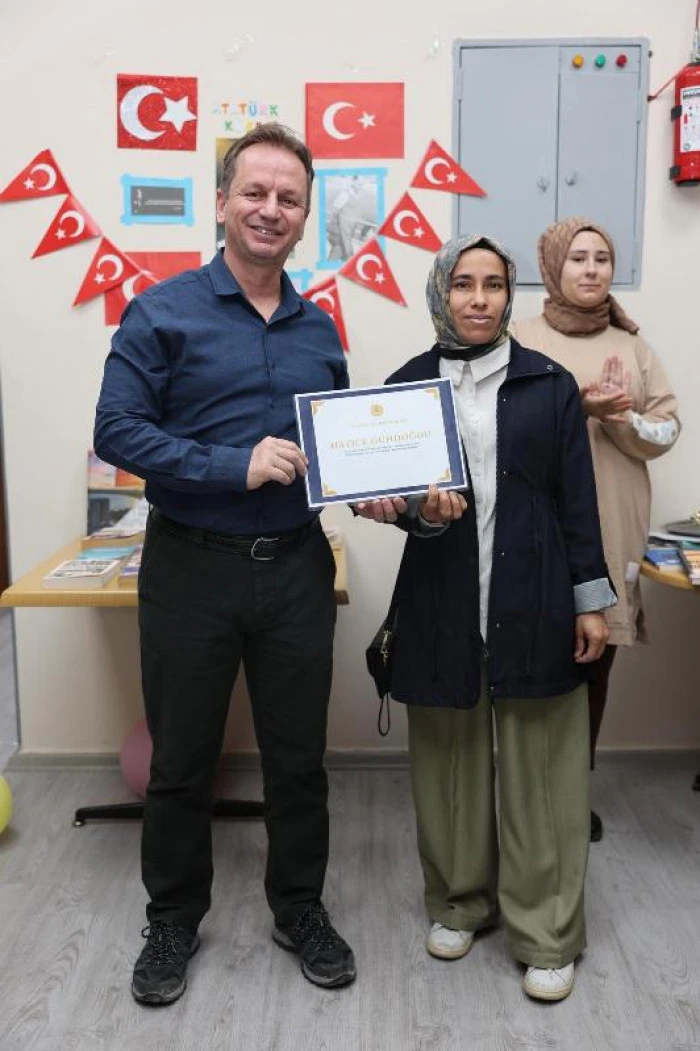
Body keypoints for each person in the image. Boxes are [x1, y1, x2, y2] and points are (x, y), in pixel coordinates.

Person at [94, 123, 356, 1005]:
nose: (270, 209)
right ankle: (172, 919)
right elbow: (116, 430)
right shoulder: (160, 310)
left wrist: (381, 489)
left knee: (299, 759)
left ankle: (299, 908)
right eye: (255, 192)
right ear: (220, 202)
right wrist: (230, 464)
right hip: (190, 568)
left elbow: (339, 447)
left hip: (296, 567)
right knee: (180, 760)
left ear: (304, 216)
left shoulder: (321, 328)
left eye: (289, 198)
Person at [355, 234, 616, 1002]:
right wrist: (409, 511)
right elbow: (394, 501)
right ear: (441, 292)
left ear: (509, 294)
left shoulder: (549, 384)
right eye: (463, 283)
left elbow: (576, 501)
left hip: (536, 599)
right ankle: (458, 901)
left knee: (544, 775)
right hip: (440, 601)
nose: (478, 298)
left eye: (493, 284)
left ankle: (547, 930)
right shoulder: (405, 386)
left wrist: (590, 602)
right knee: (448, 764)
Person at [511, 218, 680, 841]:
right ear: (553, 266)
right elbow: (497, 426)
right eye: (577, 257)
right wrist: (573, 407)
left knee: (594, 667)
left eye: (602, 258)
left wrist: (621, 417)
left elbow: (667, 430)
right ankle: (525, 797)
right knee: (534, 662)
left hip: (613, 527)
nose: (591, 269)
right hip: (535, 530)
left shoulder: (633, 347)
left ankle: (570, 795)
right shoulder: (519, 338)